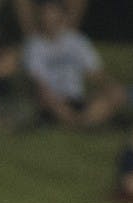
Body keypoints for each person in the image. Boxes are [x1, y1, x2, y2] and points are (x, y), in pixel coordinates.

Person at [22, 0, 125, 129]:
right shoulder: (34, 45)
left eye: (52, 13)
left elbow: (96, 73)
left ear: (61, 15)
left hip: (77, 98)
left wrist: (110, 87)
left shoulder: (76, 41)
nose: (49, 18)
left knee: (117, 93)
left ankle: (81, 122)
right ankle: (82, 123)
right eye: (46, 14)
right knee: (46, 97)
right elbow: (38, 82)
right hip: (53, 101)